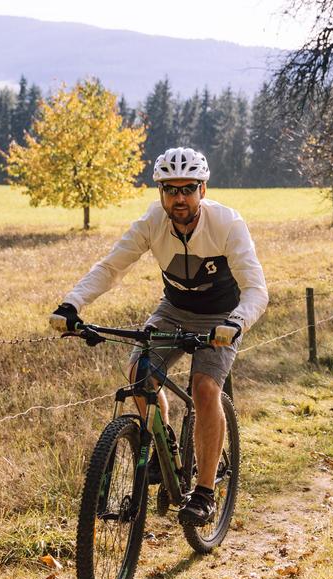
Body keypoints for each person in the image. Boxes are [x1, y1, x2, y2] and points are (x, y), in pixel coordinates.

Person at [49, 147, 268, 527]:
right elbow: (112, 267)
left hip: (221, 317)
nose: (179, 197)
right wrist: (72, 304)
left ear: (203, 189)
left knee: (204, 390)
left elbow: (256, 290)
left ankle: (203, 493)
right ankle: (161, 444)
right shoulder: (152, 222)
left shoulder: (227, 223)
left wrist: (236, 323)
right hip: (174, 309)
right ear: (160, 193)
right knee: (139, 372)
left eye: (188, 188)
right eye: (170, 189)